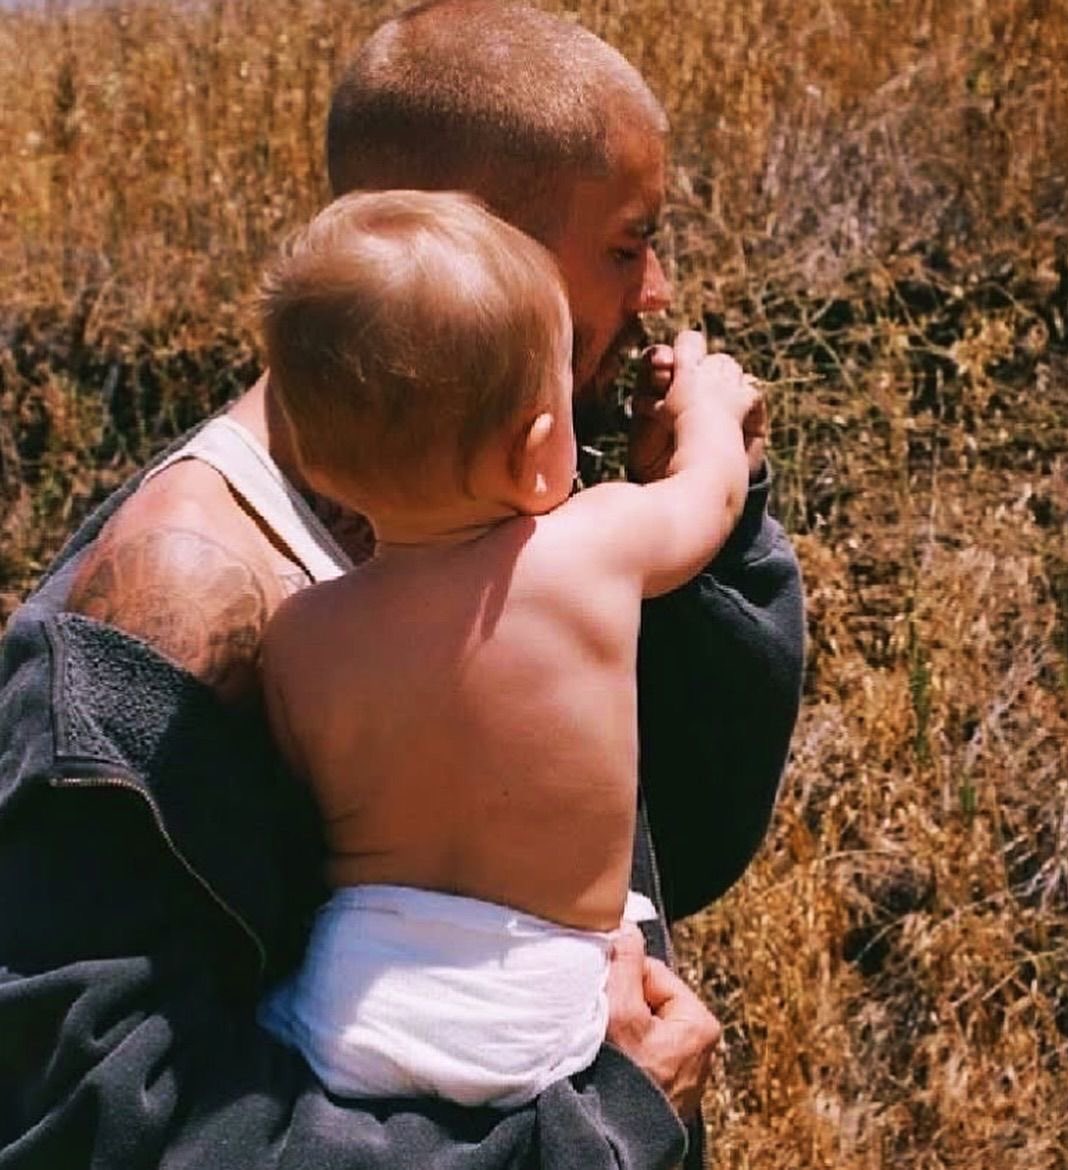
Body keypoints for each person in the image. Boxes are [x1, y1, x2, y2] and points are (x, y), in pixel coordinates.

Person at [0, 2, 804, 1167]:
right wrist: (600, 1126)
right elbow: (97, 1127)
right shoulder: (162, 612)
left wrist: (689, 548)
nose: (661, 290)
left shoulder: (475, 486)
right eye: (628, 245)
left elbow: (684, 832)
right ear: (470, 251)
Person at [251, 188, 757, 1110]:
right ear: (536, 450)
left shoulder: (297, 637)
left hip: (348, 1012)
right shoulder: (592, 548)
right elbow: (711, 499)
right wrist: (710, 407)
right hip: (548, 1002)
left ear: (316, 462)